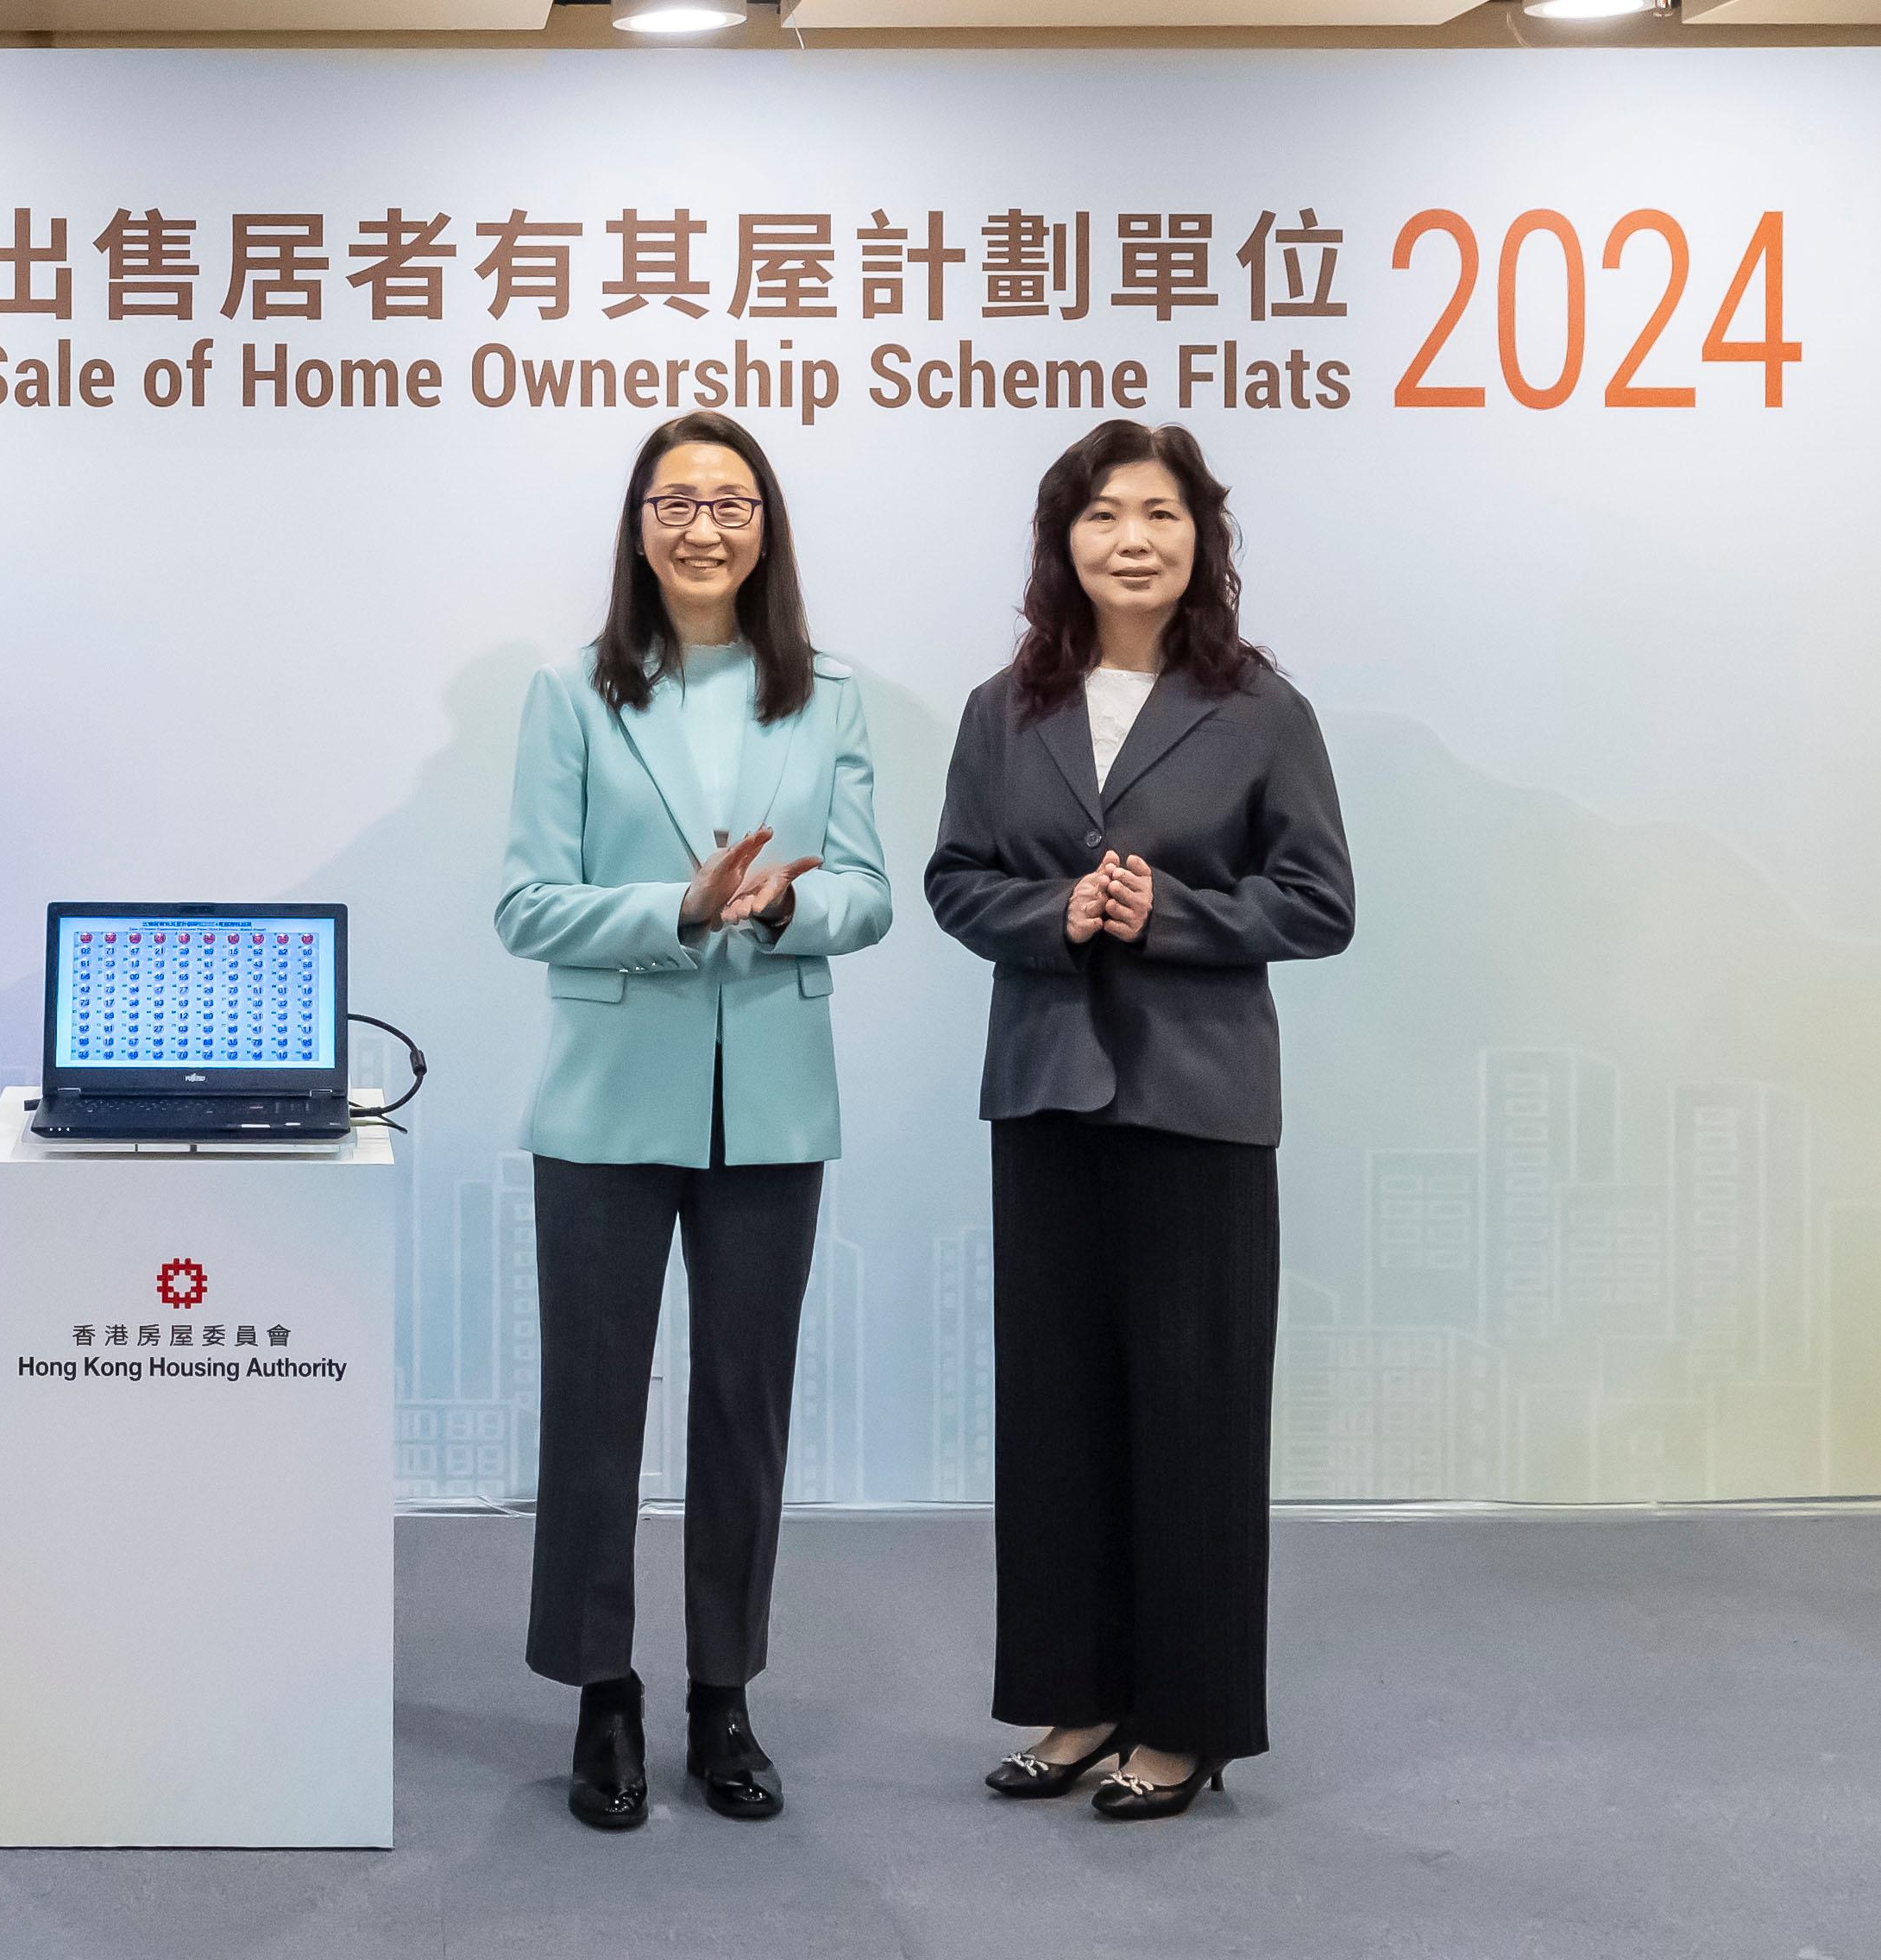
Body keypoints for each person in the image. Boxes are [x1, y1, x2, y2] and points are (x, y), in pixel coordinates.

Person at [924, 419, 1353, 1821]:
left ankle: (1185, 1721)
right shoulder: (1005, 708)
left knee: (1194, 1416)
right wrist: (1053, 913)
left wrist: (1172, 914)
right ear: (1063, 542)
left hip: (1199, 1106)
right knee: (1055, 1414)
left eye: (1160, 514)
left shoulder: (1259, 710)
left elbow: (1318, 903)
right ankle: (1078, 1696)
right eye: (1104, 514)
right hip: (1045, 1089)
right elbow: (954, 880)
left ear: (1199, 541)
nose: (1132, 538)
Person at [496, 411, 891, 1831]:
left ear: (765, 526)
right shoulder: (571, 693)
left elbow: (868, 888)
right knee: (594, 1413)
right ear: (638, 525)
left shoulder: (826, 694)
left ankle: (723, 1693)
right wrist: (672, 907)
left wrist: (784, 902)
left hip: (772, 1104)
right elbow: (524, 904)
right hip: (604, 1103)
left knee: (743, 1413)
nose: (703, 525)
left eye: (731, 501)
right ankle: (604, 1691)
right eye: (675, 501)